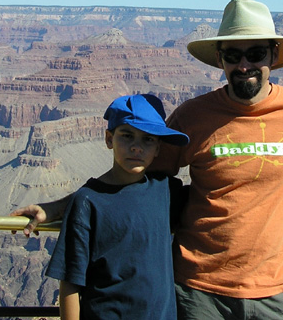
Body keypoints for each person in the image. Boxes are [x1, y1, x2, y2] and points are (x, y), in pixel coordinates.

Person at [13, 0, 283, 319]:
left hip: (274, 292)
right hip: (198, 292)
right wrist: (58, 207)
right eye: (233, 55)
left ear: (274, 55)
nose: (243, 66)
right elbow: (131, 181)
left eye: (255, 54)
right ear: (220, 59)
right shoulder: (193, 115)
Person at [44, 94, 189, 320]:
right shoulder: (87, 202)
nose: (136, 148)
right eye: (127, 136)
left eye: (148, 139)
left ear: (159, 148)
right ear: (109, 139)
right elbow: (70, 282)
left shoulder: (166, 191)